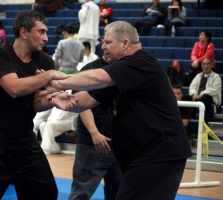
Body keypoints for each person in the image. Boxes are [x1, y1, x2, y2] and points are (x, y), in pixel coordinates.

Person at [48, 21, 192, 199]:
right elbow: (84, 101)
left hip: (159, 153)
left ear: (125, 43)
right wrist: (55, 98)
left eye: (108, 42)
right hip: (139, 153)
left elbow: (98, 77)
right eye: (102, 42)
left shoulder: (140, 62)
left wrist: (54, 78)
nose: (103, 47)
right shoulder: (117, 74)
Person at [0, 10, 68, 199]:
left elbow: (37, 103)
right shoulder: (0, 55)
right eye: (41, 32)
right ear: (23, 32)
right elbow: (13, 88)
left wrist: (53, 100)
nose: (46, 38)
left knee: (46, 192)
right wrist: (49, 76)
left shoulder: (44, 60)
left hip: (25, 141)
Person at [69, 52, 122, 200]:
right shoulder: (90, 70)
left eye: (111, 43)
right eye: (105, 43)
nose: (106, 47)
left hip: (120, 144)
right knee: (81, 192)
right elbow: (80, 104)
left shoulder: (124, 69)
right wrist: (94, 133)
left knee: (118, 192)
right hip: (92, 144)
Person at [189, 57, 221, 123]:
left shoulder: (216, 77)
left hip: (211, 99)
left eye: (208, 64)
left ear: (212, 65)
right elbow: (192, 87)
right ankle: (187, 118)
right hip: (198, 97)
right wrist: (194, 94)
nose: (205, 66)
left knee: (205, 96)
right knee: (185, 97)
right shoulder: (198, 76)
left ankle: (203, 118)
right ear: (201, 65)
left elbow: (214, 90)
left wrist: (201, 94)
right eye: (203, 64)